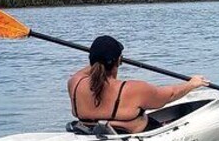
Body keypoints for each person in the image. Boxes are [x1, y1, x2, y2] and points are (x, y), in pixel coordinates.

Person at [68, 35, 208, 134]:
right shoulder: (133, 89)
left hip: (90, 131)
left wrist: (99, 58)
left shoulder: (75, 83)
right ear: (118, 61)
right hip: (134, 137)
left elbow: (91, 69)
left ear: (91, 60)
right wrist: (192, 84)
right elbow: (170, 94)